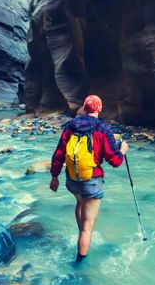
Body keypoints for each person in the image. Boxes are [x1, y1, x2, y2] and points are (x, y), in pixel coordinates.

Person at [49, 94, 129, 263]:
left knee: (80, 202)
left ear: (85, 108)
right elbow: (114, 161)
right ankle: (80, 263)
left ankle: (80, 234)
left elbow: (59, 154)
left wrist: (54, 176)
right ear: (99, 109)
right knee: (88, 227)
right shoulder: (103, 129)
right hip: (91, 181)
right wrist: (122, 150)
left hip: (72, 180)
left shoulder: (71, 126)